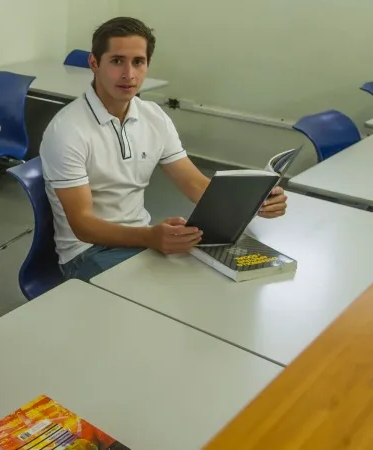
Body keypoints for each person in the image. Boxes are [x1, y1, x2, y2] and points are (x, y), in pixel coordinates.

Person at [39, 17, 288, 281]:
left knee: (211, 282)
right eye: (117, 61)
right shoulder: (67, 130)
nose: (129, 74)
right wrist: (149, 237)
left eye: (138, 62)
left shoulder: (154, 117)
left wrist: (256, 204)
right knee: (179, 288)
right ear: (94, 63)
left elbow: (195, 185)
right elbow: (83, 226)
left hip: (140, 238)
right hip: (87, 252)